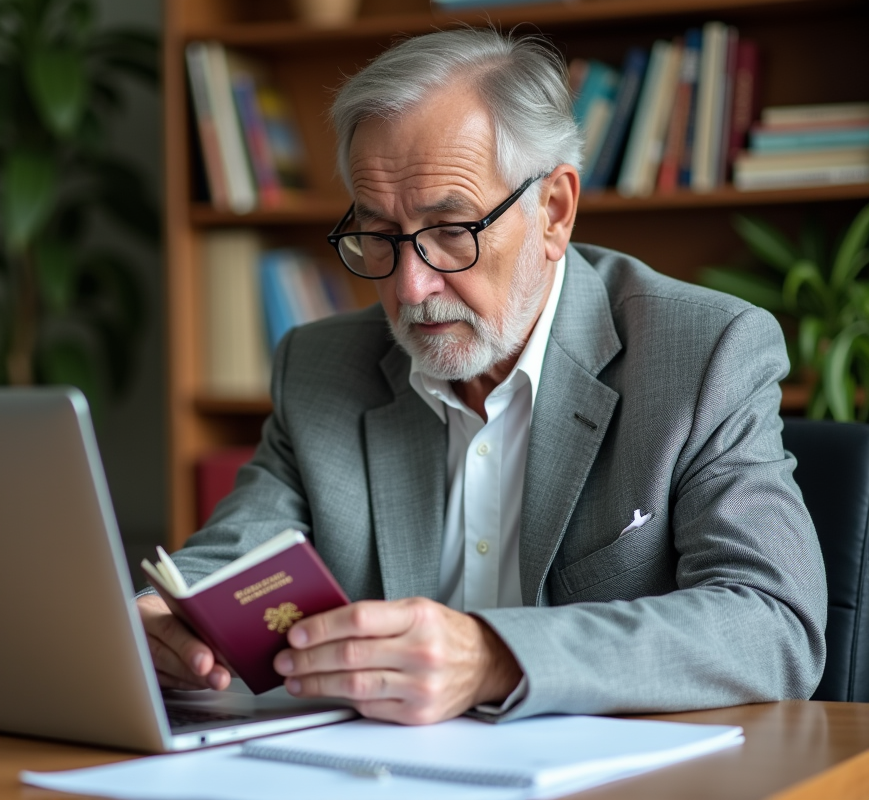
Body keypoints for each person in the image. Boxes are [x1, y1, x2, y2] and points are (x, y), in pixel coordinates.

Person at [138, 27, 827, 724]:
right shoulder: (321, 367)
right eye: (379, 234)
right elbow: (232, 563)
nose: (410, 287)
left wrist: (495, 656)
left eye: (451, 230)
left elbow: (773, 623)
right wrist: (163, 616)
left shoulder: (703, 354)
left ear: (554, 211)